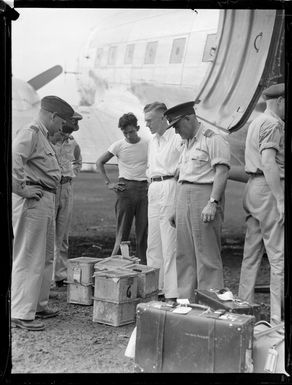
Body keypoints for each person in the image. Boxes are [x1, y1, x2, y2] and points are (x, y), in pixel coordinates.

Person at [11, 95, 76, 331]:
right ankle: (20, 311)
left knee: (45, 254)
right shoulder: (31, 132)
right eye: (61, 123)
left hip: (47, 197)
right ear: (53, 116)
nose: (62, 128)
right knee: (29, 255)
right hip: (33, 200)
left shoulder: (43, 136)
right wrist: (21, 189)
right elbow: (14, 158)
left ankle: (37, 305)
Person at [166, 101, 230, 300]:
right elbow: (183, 176)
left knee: (206, 254)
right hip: (184, 195)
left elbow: (222, 172)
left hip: (204, 195)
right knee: (184, 253)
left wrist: (213, 202)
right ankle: (186, 301)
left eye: (177, 126)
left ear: (189, 118)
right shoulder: (186, 143)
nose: (176, 131)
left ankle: (210, 302)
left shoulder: (213, 139)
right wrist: (177, 208)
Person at [238, 83, 285, 325]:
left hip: (253, 188)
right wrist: (280, 198)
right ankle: (277, 317)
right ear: (279, 101)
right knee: (278, 255)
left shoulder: (257, 121)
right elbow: (269, 163)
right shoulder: (274, 124)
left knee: (251, 253)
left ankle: (243, 309)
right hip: (268, 189)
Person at [96, 113, 148, 264]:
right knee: (122, 231)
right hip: (125, 189)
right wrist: (108, 183)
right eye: (125, 132)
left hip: (144, 189)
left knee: (143, 230)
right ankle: (116, 265)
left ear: (137, 128)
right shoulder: (118, 145)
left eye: (131, 131)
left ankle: (143, 265)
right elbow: (99, 162)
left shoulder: (147, 144)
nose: (128, 135)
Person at [144, 102, 182, 302]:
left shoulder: (176, 137)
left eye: (150, 120)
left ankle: (172, 292)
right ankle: (154, 289)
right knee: (154, 242)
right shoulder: (153, 141)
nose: (147, 124)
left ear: (162, 118)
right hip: (154, 187)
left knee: (170, 242)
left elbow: (186, 157)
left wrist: (181, 169)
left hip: (169, 186)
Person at [50, 112, 83, 288]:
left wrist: (71, 175)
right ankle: (45, 277)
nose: (71, 132)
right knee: (48, 232)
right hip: (51, 187)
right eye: (71, 126)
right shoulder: (50, 140)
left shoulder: (73, 143)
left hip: (67, 187)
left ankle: (59, 276)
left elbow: (78, 161)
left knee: (63, 235)